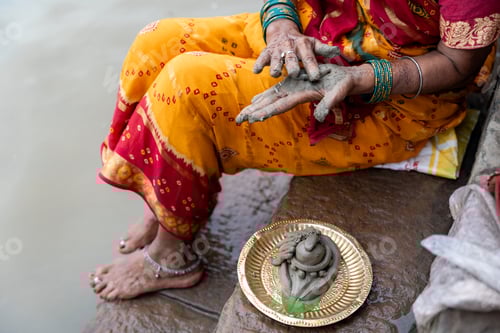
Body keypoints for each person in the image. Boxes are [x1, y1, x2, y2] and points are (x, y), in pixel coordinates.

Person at [89, 0, 500, 301]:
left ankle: (171, 256)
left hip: (388, 93)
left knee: (185, 87)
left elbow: (457, 63)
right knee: (157, 43)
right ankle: (163, 200)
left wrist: (358, 79)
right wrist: (281, 27)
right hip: (313, 34)